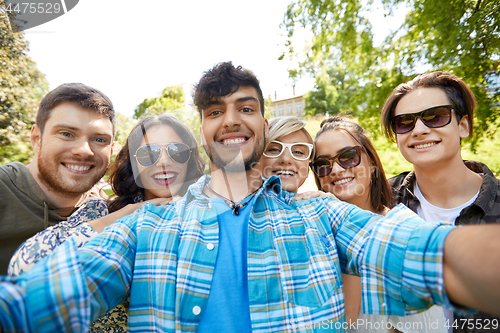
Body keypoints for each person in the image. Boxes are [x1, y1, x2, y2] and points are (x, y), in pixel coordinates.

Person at [1, 62, 500, 333]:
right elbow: (49, 296)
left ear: (262, 121)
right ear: (204, 129)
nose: (232, 119)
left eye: (246, 106)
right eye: (215, 110)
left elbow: (431, 253)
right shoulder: (146, 225)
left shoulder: (319, 213)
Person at [7, 114, 205, 332]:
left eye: (177, 151)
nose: (164, 162)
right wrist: (127, 214)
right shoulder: (103, 212)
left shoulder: (210, 217)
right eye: (148, 154)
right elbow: (25, 264)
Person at [380, 71, 500, 332]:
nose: (420, 130)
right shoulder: (383, 201)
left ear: (463, 126)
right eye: (404, 122)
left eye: (436, 116)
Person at [311, 115, 446, 333]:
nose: (335, 170)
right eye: (322, 165)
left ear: (372, 163)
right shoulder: (315, 237)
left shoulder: (404, 232)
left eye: (347, 156)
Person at [0, 83, 116, 274]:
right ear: (37, 138)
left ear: (111, 150)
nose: (84, 151)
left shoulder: (108, 214)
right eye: (67, 134)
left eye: (99, 139)